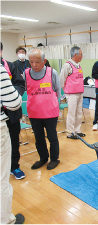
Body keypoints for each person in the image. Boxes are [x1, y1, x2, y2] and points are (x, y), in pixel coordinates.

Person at [25, 49, 61, 170]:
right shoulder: (25, 74)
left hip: (50, 112)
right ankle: (43, 158)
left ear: (44, 61)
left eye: (37, 62)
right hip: (34, 113)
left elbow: (58, 90)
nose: (34, 65)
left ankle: (54, 159)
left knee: (52, 137)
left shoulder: (52, 72)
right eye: (31, 62)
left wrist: (56, 105)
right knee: (39, 138)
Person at [0, 63, 25, 225]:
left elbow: (19, 85)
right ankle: (6, 221)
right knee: (2, 180)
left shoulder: (12, 68)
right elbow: (15, 101)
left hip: (12, 120)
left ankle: (15, 167)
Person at [0, 41, 26, 180]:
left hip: (11, 111)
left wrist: (10, 96)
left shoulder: (10, 66)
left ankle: (14, 166)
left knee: (14, 140)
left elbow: (20, 84)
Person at [60, 46, 85, 139]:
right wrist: (67, 91)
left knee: (79, 113)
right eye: (81, 54)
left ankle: (77, 130)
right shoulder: (67, 65)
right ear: (75, 55)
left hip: (80, 92)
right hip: (71, 94)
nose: (82, 56)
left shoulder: (78, 65)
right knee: (71, 113)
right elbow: (62, 80)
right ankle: (70, 132)